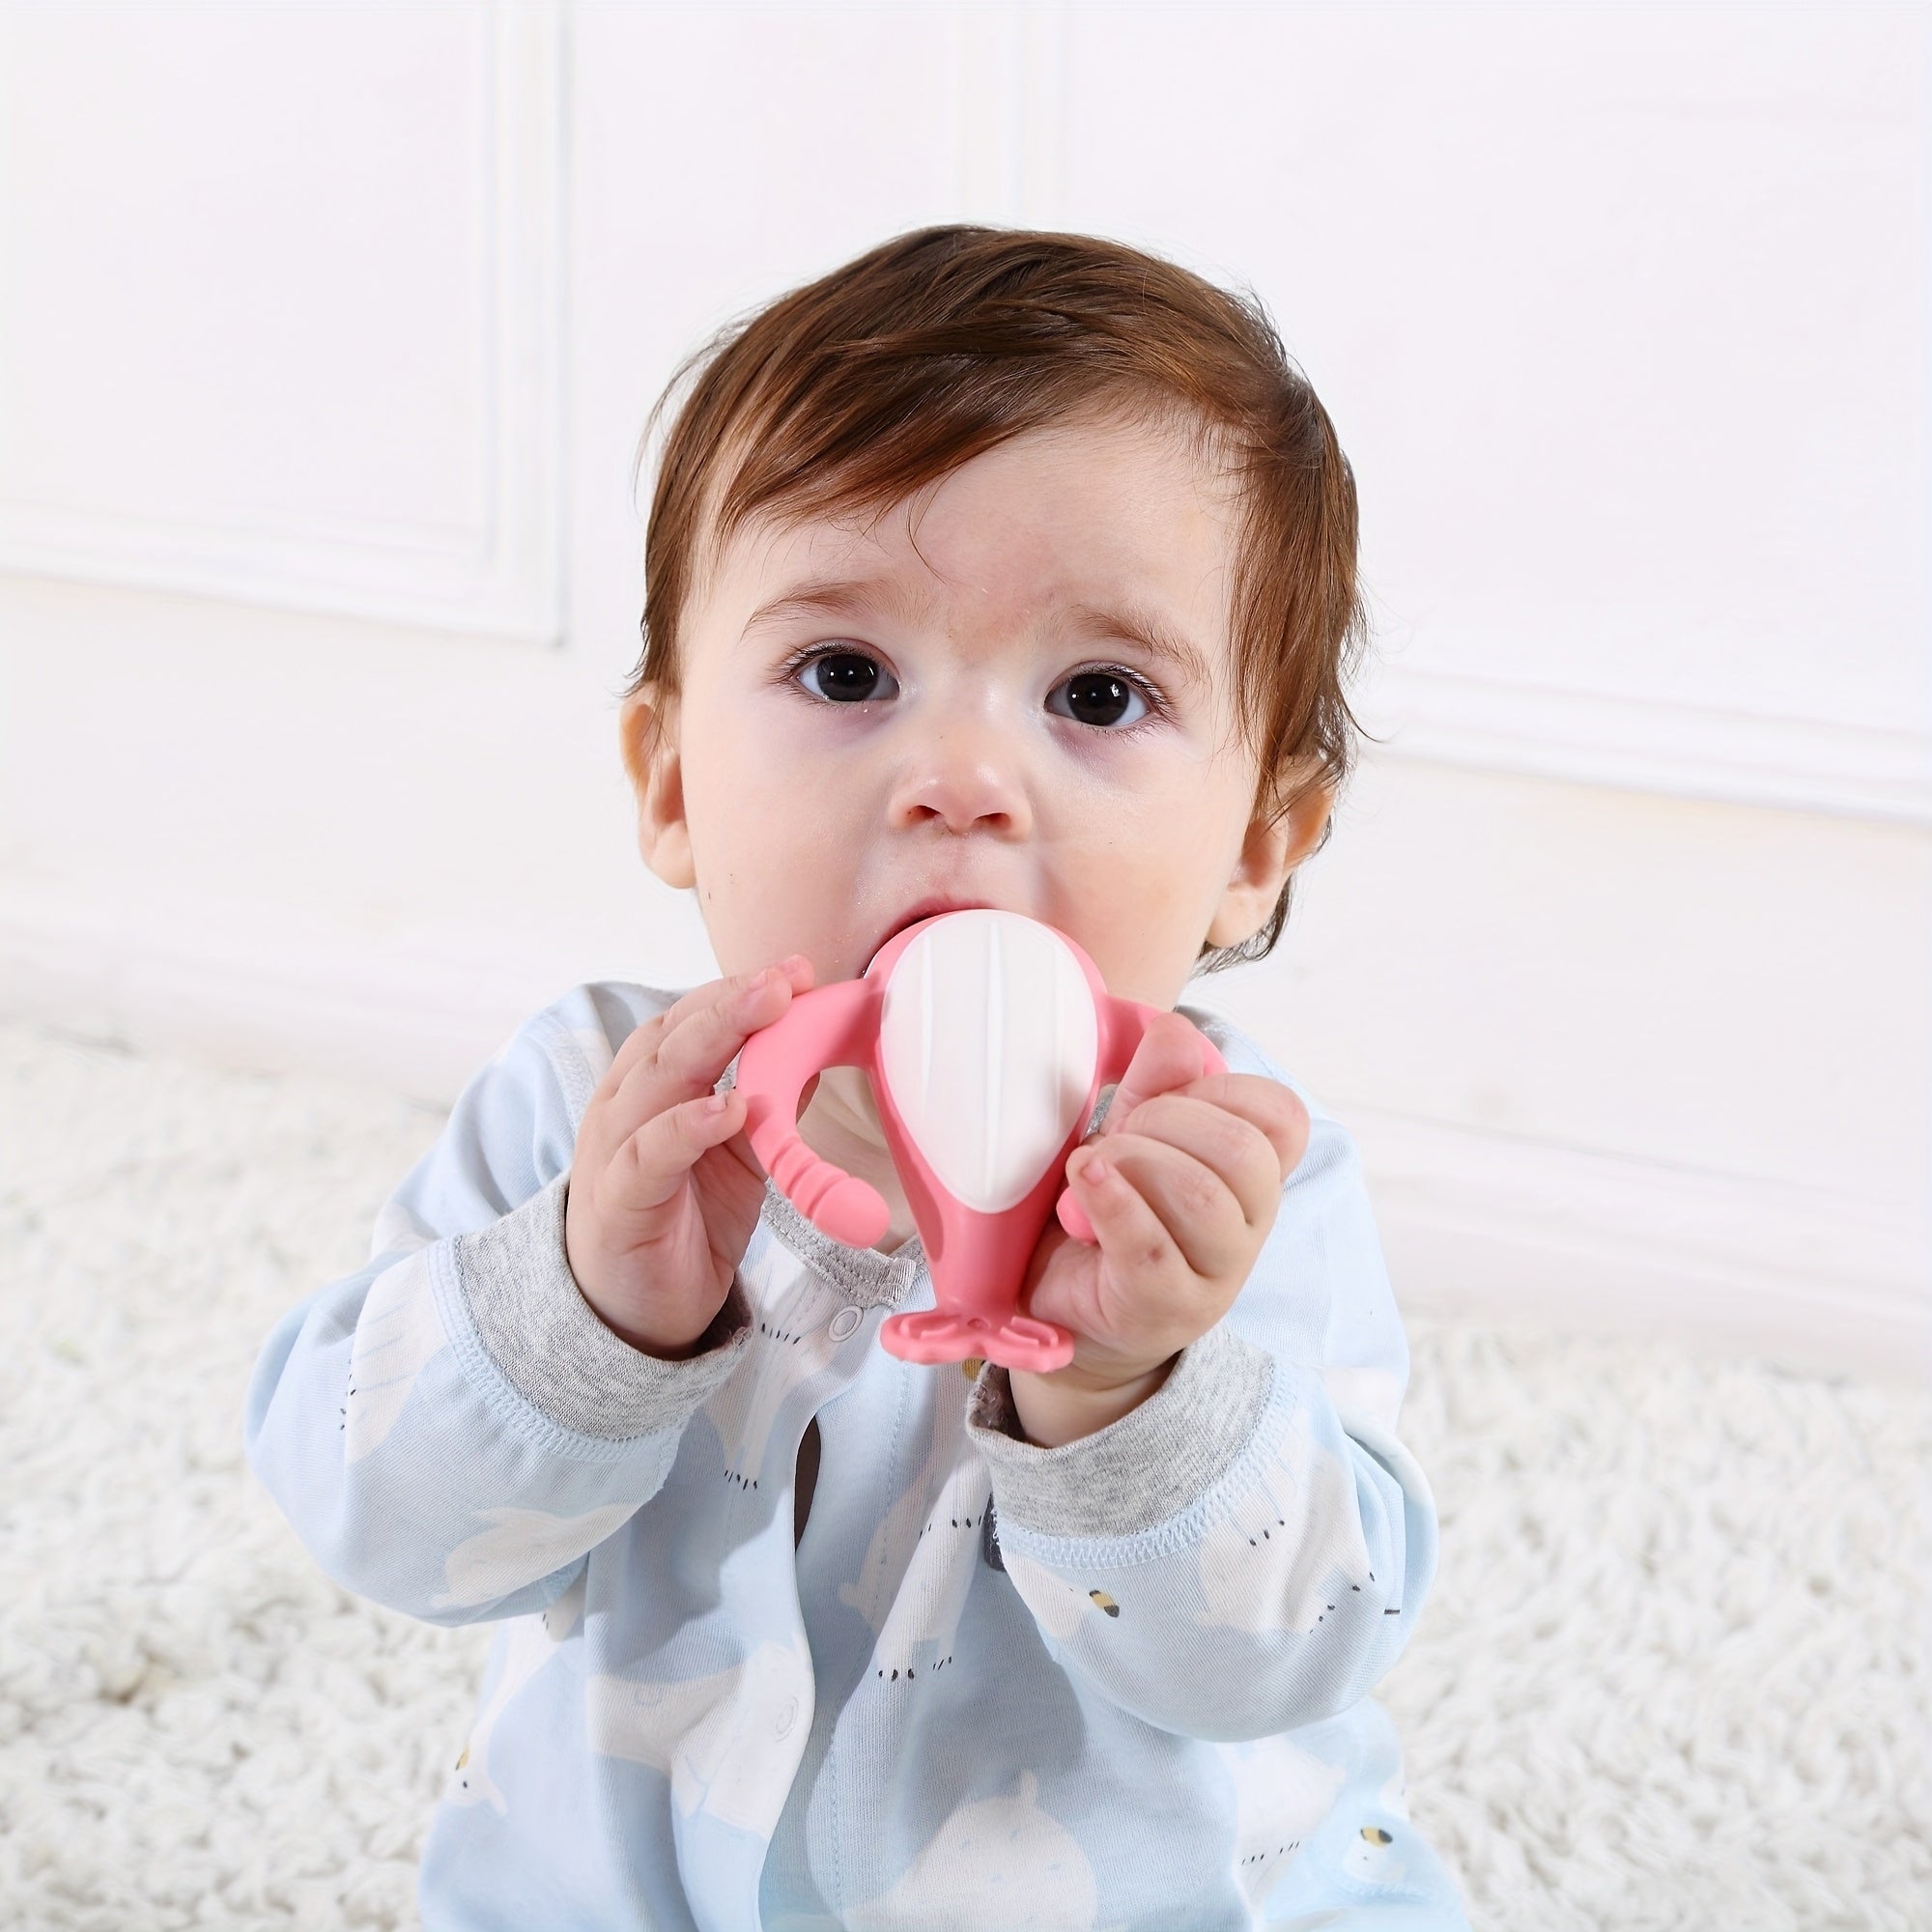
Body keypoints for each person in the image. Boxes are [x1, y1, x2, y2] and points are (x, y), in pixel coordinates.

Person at [244, 224, 1469, 1931]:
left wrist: (1126, 1388)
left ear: (1260, 841)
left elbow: (1288, 1661)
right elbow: (377, 1522)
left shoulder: (1236, 1186)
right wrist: (589, 1311)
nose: (961, 776)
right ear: (670, 777)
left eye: (1098, 695)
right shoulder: (595, 1112)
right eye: (846, 674)